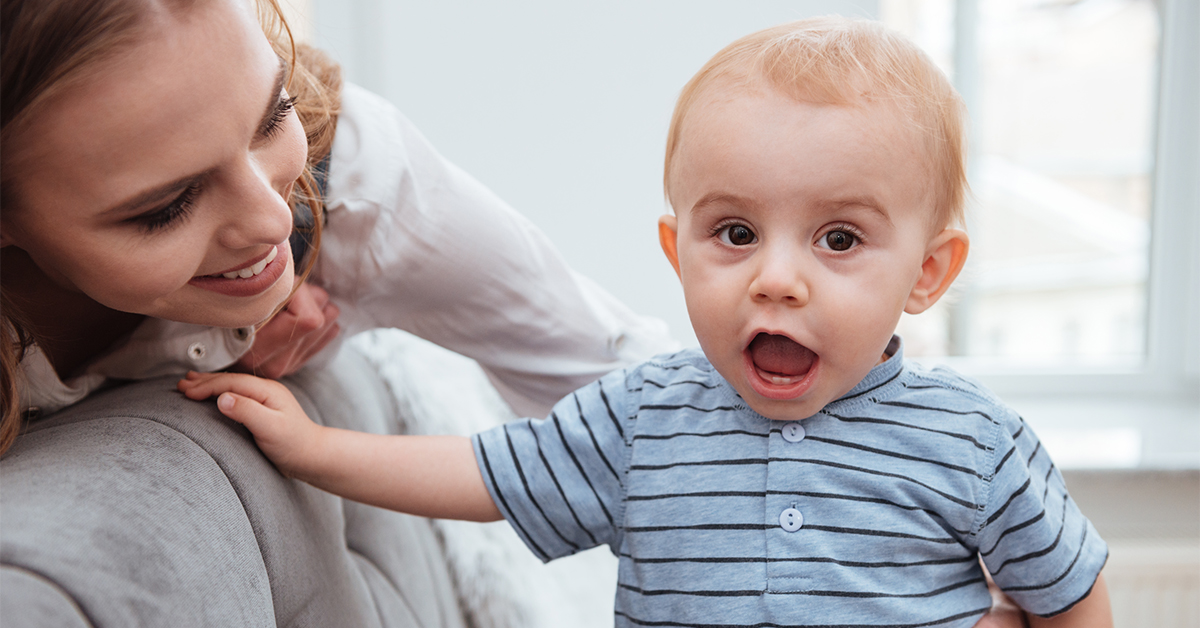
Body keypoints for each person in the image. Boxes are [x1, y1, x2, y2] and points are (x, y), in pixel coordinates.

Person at [178, 16, 1110, 628]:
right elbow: (482, 472)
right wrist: (312, 449)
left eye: (838, 238)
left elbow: (1070, 594)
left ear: (929, 272)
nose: (776, 280)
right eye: (736, 233)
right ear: (677, 250)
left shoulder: (974, 440)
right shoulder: (644, 415)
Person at [0, 0, 674, 452]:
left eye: (271, 116)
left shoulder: (354, 180)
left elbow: (650, 407)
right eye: (166, 207)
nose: (272, 217)